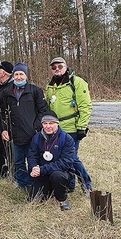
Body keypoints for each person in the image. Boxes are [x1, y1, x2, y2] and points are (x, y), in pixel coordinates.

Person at [46, 57, 92, 195]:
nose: (57, 69)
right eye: (54, 67)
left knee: (72, 158)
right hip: (56, 129)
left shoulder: (76, 82)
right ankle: (69, 185)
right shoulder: (51, 86)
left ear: (66, 67)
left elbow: (85, 105)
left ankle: (86, 185)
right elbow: (49, 106)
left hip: (72, 128)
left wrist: (82, 127)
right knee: (60, 158)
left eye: (60, 66)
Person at [0, 63, 48, 189]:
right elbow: (2, 113)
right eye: (16, 74)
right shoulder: (7, 92)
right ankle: (23, 185)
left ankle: (34, 185)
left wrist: (37, 127)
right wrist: (5, 129)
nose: (19, 77)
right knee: (18, 162)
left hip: (32, 134)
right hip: (15, 135)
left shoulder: (35, 90)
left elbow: (43, 110)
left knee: (32, 161)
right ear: (13, 76)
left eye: (21, 74)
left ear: (26, 76)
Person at [27, 110, 75, 211]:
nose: (48, 126)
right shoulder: (36, 138)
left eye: (51, 123)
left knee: (57, 176)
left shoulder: (67, 138)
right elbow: (32, 156)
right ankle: (50, 189)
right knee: (33, 199)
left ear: (57, 124)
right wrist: (34, 168)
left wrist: (42, 169)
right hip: (42, 174)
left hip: (61, 172)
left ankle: (62, 198)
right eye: (45, 123)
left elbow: (66, 162)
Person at [0, 61, 14, 178]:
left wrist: (6, 127)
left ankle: (12, 174)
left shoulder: (12, 87)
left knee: (9, 151)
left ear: (4, 73)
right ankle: (1, 174)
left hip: (7, 124)